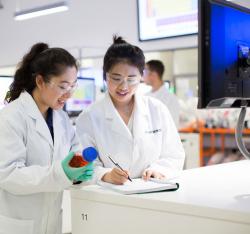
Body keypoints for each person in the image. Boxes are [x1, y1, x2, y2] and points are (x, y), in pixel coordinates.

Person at [0, 43, 93, 234]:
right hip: (18, 230)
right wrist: (61, 172)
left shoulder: (61, 119)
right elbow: (8, 174)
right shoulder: (11, 117)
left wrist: (79, 171)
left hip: (50, 227)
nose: (68, 94)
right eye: (62, 86)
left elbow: (74, 154)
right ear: (40, 81)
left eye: (72, 86)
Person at [76, 36, 185, 185]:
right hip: (109, 198)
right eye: (116, 78)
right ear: (105, 76)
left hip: (153, 193)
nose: (124, 86)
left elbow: (174, 154)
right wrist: (106, 175)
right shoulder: (89, 117)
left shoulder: (157, 109)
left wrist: (159, 169)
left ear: (141, 76)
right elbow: (83, 165)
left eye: (132, 79)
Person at [143, 60, 180, 128]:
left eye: (144, 72)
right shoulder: (145, 97)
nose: (142, 75)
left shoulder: (171, 99)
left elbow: (172, 126)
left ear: (153, 74)